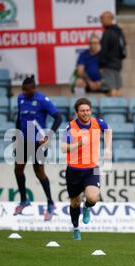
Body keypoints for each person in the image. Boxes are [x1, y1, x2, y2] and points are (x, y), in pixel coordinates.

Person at [61, 98, 111, 240]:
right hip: (74, 170)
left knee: (93, 198)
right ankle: (76, 228)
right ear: (77, 113)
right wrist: (78, 144)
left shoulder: (98, 123)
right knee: (75, 202)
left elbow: (107, 130)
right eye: (82, 110)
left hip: (92, 168)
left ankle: (87, 207)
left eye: (87, 110)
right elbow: (63, 148)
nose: (85, 113)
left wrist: (107, 148)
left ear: (91, 111)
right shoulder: (70, 127)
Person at [13, 76, 62, 220]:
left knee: (39, 172)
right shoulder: (20, 98)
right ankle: (23, 200)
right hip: (23, 140)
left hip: (38, 142)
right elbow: (19, 118)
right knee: (18, 169)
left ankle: (50, 203)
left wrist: (49, 135)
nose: (24, 92)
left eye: (27, 90)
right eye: (23, 90)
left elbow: (58, 117)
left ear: (34, 88)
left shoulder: (42, 100)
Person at [99, 11, 126, 97]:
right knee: (117, 89)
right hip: (118, 64)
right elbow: (124, 49)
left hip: (109, 65)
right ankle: (119, 108)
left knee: (110, 89)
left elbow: (104, 50)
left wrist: (101, 65)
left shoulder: (107, 32)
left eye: (102, 18)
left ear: (109, 19)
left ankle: (112, 109)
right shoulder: (119, 31)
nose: (101, 21)